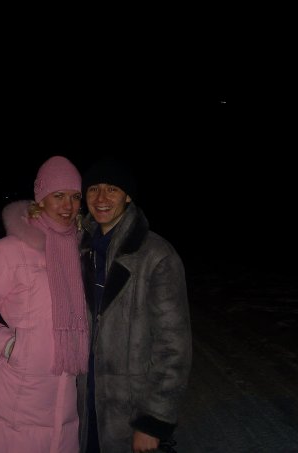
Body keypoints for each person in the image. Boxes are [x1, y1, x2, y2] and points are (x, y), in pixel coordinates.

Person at [0, 156, 90, 453]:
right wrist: (9, 346)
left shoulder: (77, 255)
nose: (68, 205)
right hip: (12, 402)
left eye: (75, 196)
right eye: (58, 195)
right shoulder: (8, 251)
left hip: (63, 403)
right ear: (41, 198)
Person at [77, 157, 192, 453]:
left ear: (128, 196)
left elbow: (174, 347)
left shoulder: (156, 255)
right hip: (82, 406)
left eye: (112, 189)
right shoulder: (78, 250)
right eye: (93, 189)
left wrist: (152, 422)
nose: (101, 198)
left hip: (129, 413)